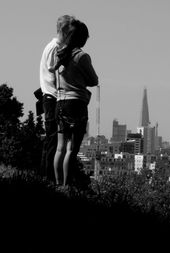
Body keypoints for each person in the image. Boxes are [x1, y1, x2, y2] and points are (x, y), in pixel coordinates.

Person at [53, 20, 98, 188]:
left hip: (60, 103)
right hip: (77, 104)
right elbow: (94, 80)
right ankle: (66, 186)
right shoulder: (81, 56)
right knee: (71, 149)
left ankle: (57, 185)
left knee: (60, 148)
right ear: (81, 38)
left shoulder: (59, 54)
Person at [39, 15, 75, 182]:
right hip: (53, 97)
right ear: (64, 31)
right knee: (53, 140)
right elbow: (55, 72)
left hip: (50, 96)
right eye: (71, 30)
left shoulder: (53, 46)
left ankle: (47, 178)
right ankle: (48, 178)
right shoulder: (55, 48)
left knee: (53, 140)